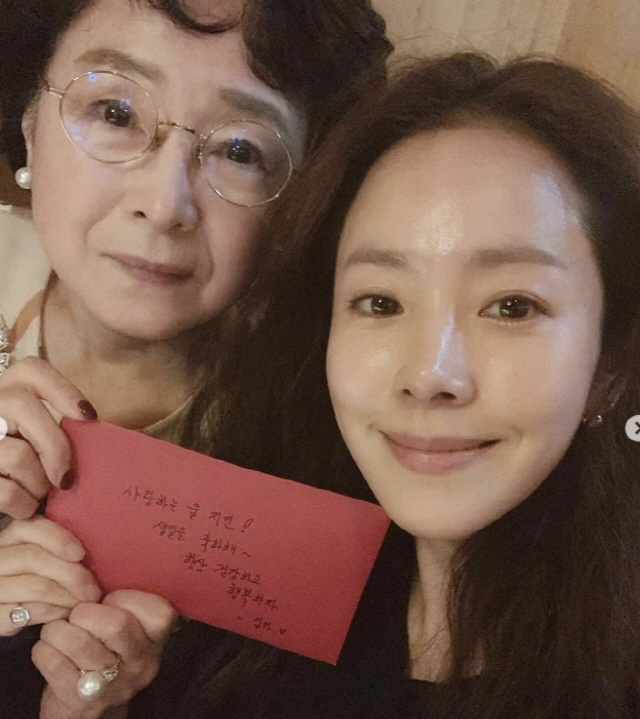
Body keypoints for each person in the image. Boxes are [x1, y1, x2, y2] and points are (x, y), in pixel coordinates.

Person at [182, 52, 640, 718]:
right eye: (380, 302)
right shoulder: (251, 621)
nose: (430, 375)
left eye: (512, 306)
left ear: (609, 364)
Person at [0, 0, 391, 716]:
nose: (165, 203)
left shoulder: (331, 437)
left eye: (240, 151)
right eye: (116, 112)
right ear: (29, 126)